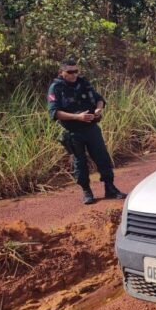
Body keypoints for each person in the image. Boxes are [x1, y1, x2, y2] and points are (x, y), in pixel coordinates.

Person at [47, 58, 126, 205]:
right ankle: (87, 192)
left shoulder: (83, 83)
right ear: (61, 72)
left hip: (91, 129)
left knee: (103, 158)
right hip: (73, 132)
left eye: (76, 71)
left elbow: (99, 99)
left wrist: (98, 109)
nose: (74, 75)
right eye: (70, 72)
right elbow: (54, 112)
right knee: (80, 162)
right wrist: (78, 117)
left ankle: (110, 188)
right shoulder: (56, 88)